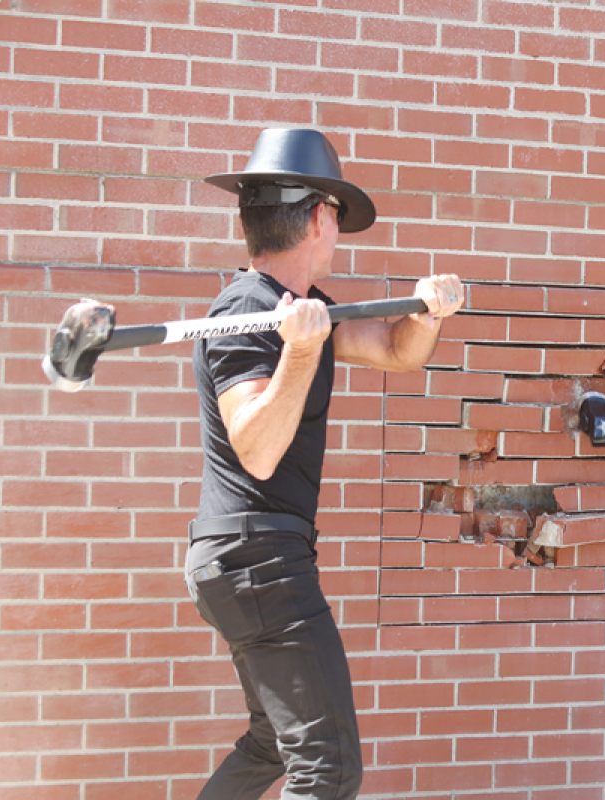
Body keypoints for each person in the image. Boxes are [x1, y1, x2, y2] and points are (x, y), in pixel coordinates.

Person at [185, 128, 463, 799]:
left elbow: (397, 350)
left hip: (251, 559)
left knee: (272, 744)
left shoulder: (304, 312)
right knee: (326, 767)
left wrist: (430, 311)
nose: (338, 231)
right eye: (337, 215)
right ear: (318, 216)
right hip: (259, 560)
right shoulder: (244, 310)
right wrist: (299, 351)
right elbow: (256, 446)